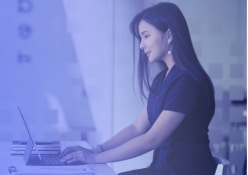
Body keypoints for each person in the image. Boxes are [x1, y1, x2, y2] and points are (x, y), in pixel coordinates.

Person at [59, 2, 217, 175]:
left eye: (146, 36)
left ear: (169, 35)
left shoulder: (187, 81)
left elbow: (152, 139)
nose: (141, 45)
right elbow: (137, 127)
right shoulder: (162, 79)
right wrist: (98, 149)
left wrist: (94, 158)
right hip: (163, 169)